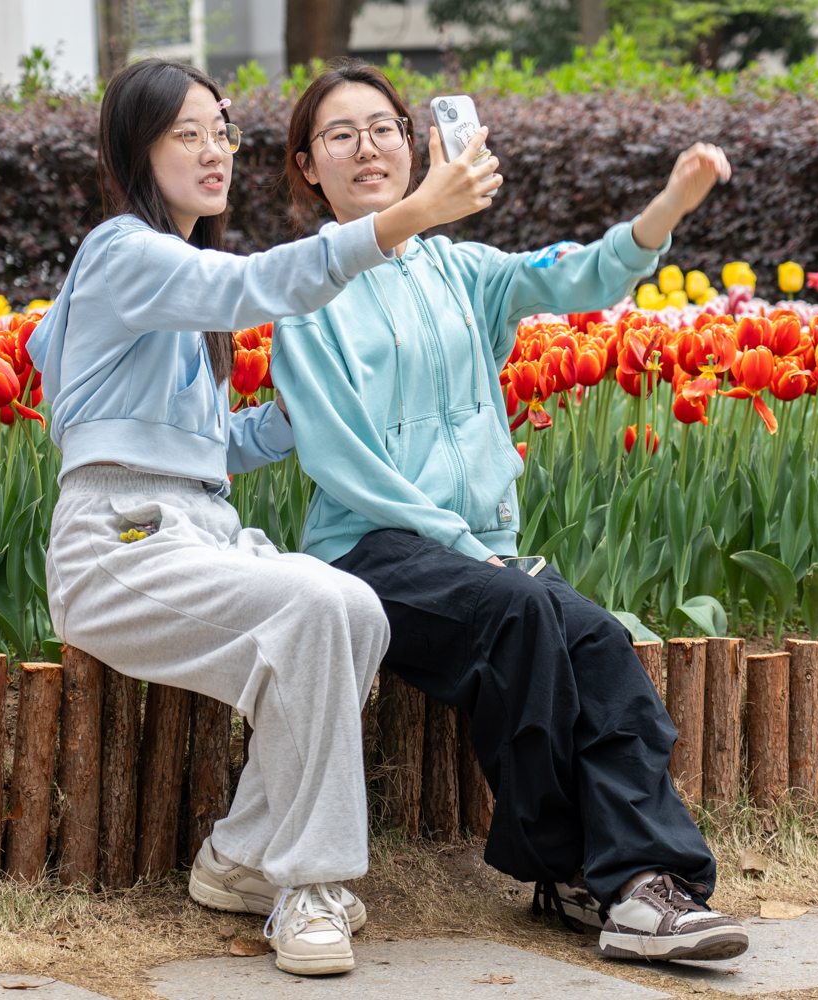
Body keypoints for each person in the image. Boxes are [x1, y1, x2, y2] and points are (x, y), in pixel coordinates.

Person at [26, 58, 499, 977]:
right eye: (186, 135)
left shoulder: (169, 279)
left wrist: (305, 412)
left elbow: (206, 445)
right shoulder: (122, 252)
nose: (214, 154)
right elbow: (257, 287)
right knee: (317, 607)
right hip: (116, 542)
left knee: (356, 604)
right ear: (137, 150)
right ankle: (312, 886)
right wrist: (406, 219)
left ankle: (240, 859)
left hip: (191, 526)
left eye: (222, 133)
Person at [267, 61, 747, 963]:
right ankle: (574, 877)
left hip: (478, 556)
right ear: (307, 166)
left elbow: (579, 280)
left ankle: (648, 884)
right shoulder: (305, 293)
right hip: (371, 552)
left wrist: (669, 208)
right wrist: (465, 546)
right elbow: (342, 459)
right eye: (340, 135)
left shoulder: (464, 270)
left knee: (596, 637)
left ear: (416, 146)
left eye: (384, 128)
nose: (367, 148)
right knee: (523, 608)